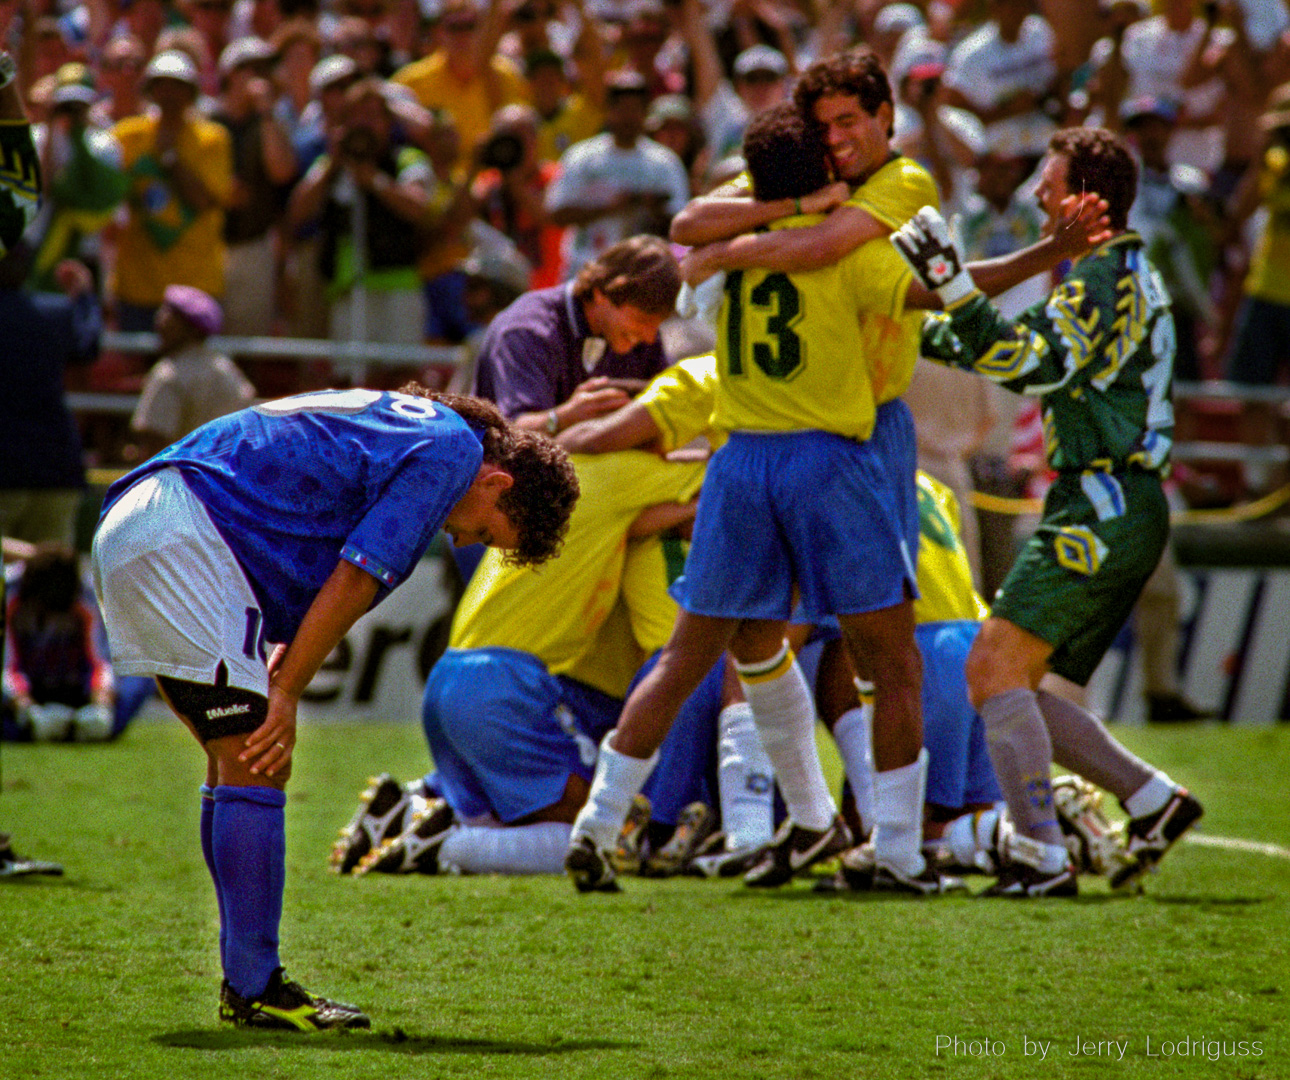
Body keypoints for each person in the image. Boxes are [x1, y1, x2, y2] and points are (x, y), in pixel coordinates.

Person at [90, 387, 578, 1030]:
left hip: (162, 517)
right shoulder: (453, 453)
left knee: (235, 764)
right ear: (497, 480)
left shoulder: (432, 432)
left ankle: (248, 983)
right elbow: (355, 577)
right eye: (485, 530)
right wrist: (287, 692)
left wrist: (288, 662)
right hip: (185, 535)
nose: (464, 539)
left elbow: (325, 547)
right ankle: (255, 987)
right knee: (257, 760)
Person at [564, 97, 942, 895]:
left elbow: (688, 242)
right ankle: (901, 851)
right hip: (829, 456)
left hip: (738, 461)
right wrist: (1009, 266)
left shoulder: (724, 248)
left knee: (702, 652)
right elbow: (933, 297)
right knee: (888, 658)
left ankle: (601, 827)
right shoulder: (847, 249)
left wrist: (743, 234)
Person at [892, 125, 1204, 897]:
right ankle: (1153, 800)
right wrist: (910, 327)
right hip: (1111, 500)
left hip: (1102, 498)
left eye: (1048, 180)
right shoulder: (1114, 274)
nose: (1036, 193)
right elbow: (1016, 345)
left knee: (991, 666)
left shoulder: (1105, 279)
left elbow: (1031, 364)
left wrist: (952, 286)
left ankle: (1039, 855)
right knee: (1014, 680)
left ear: (1085, 201)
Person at [332, 432, 730, 879]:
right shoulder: (621, 474)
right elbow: (725, 476)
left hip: (452, 674)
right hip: (504, 685)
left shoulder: (570, 486)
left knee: (501, 810)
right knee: (600, 825)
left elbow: (641, 519)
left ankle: (405, 813)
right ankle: (443, 847)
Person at [470, 234, 680, 435]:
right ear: (601, 294)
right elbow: (514, 429)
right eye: (641, 320)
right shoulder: (528, 331)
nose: (650, 337)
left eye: (657, 325)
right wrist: (565, 417)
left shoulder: (639, 337)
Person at [110, 49, 233, 331]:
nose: (169, 94)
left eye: (177, 86)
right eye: (161, 86)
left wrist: (170, 159)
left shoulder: (212, 139)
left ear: (192, 92)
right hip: (138, 287)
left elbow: (204, 200)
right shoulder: (126, 136)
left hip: (197, 287)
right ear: (150, 91)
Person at [545, 69, 690, 279]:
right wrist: (611, 206)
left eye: (635, 109)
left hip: (642, 274)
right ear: (609, 110)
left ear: (645, 112)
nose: (628, 116)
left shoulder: (663, 162)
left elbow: (680, 224)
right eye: (622, 108)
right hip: (586, 267)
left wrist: (650, 206)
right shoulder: (582, 156)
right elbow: (557, 213)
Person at [129, 285, 256, 461]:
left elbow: (155, 443)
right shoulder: (229, 371)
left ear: (190, 328)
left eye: (169, 315)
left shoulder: (168, 373)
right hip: (222, 479)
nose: (159, 320)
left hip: (179, 479)